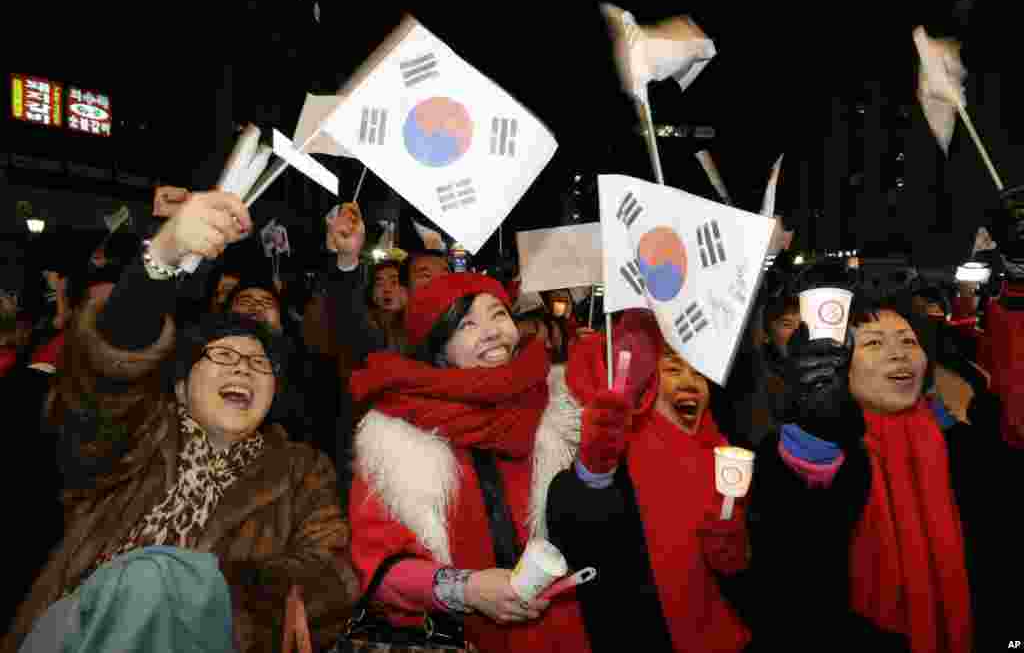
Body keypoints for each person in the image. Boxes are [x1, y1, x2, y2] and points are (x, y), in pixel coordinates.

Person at [2, 191, 359, 653]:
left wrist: (185, 593)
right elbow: (109, 368)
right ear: (180, 384)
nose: (243, 369)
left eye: (259, 364)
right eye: (225, 355)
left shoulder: (302, 470)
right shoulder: (136, 433)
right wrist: (164, 257)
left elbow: (330, 582)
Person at [746, 291, 1020, 652]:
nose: (899, 353)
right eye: (874, 342)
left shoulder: (968, 448)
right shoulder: (807, 451)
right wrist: (819, 435)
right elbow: (792, 573)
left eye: (908, 340)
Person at [347, 271, 591, 653]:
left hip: (560, 633)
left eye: (498, 314)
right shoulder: (393, 434)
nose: (492, 331)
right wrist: (468, 589)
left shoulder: (559, 408)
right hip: (460, 639)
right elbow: (379, 567)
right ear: (439, 348)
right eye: (467, 324)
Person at [547, 310, 752, 653]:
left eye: (700, 373)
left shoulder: (722, 453)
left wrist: (734, 551)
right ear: (647, 385)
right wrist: (595, 466)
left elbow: (741, 577)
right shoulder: (618, 452)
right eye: (673, 369)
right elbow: (578, 539)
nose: (691, 382)